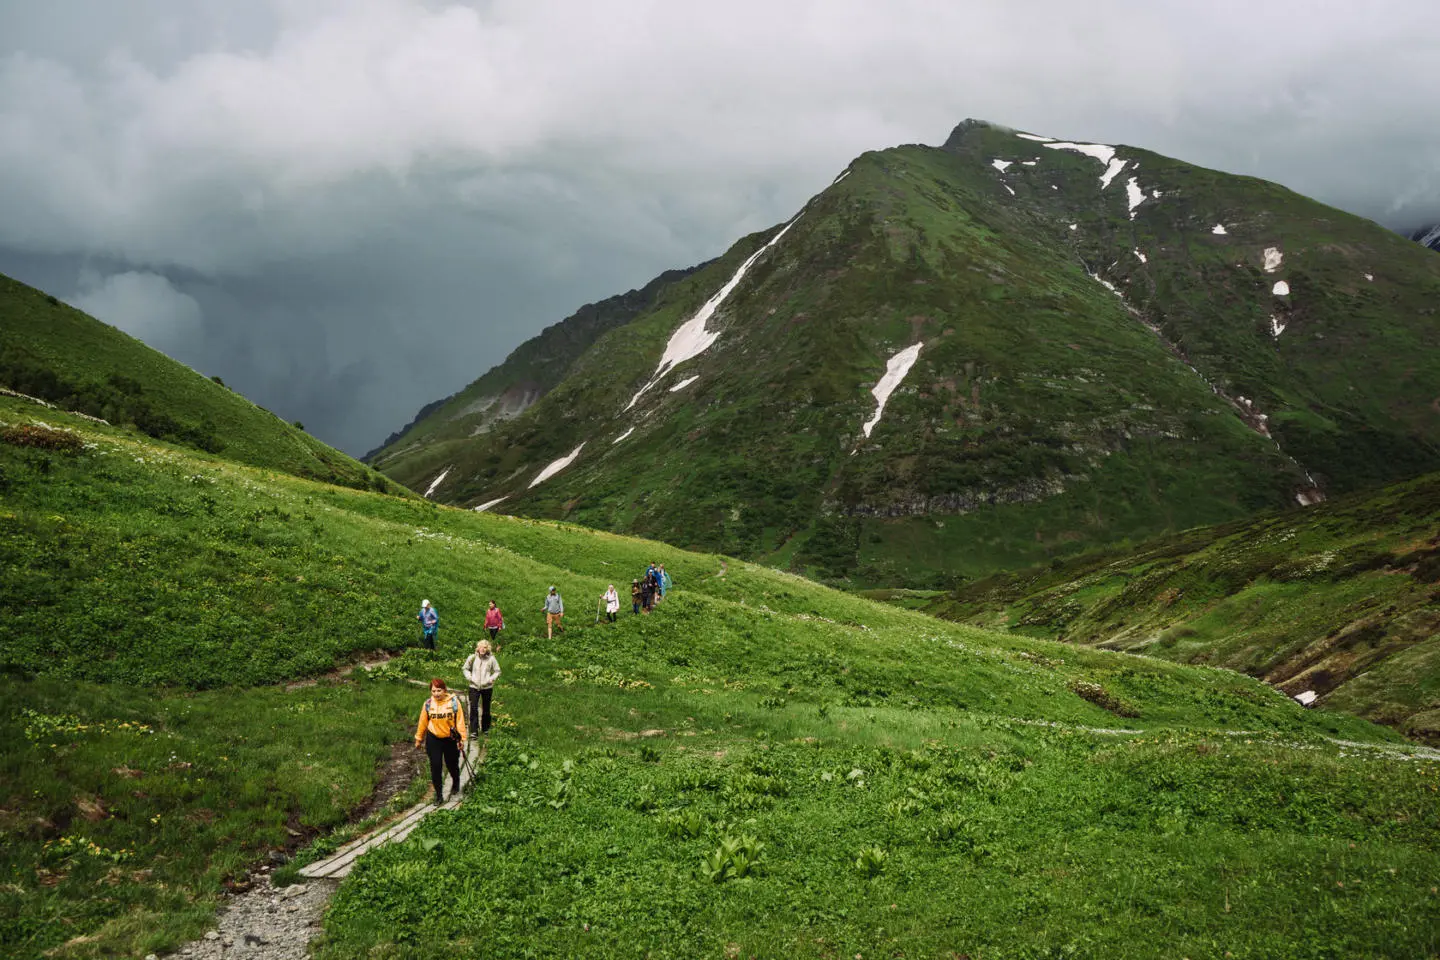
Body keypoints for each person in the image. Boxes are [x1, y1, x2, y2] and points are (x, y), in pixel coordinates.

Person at [414, 678, 467, 803]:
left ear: (444, 690)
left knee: (451, 764)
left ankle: (456, 781)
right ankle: (438, 795)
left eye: (439, 690)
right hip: (434, 739)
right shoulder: (428, 704)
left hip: (450, 739)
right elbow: (422, 722)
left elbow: (460, 722)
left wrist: (462, 740)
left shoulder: (454, 703)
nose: (436, 694)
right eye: (433, 691)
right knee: (435, 766)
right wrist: (418, 738)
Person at [463, 641, 501, 736]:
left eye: (485, 647)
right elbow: (465, 668)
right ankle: (474, 731)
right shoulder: (472, 657)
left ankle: (485, 729)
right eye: (481, 647)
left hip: (487, 687)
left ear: (487, 648)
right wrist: (470, 678)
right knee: (474, 707)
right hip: (474, 686)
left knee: (486, 708)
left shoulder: (491, 659)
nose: (482, 649)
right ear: (478, 648)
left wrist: (491, 679)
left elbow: (497, 671)